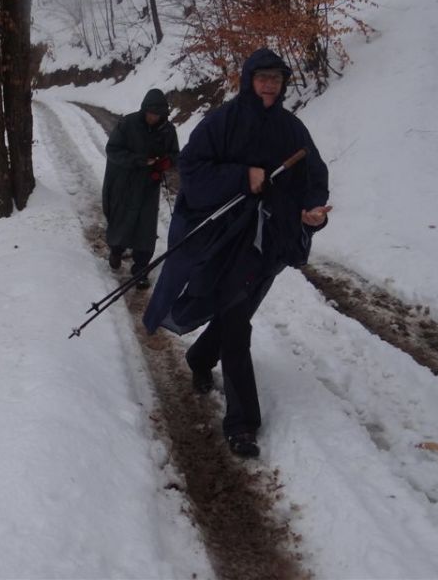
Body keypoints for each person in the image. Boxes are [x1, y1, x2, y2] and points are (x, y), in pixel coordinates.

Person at [142, 48, 331, 458]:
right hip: (226, 238)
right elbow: (190, 169)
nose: (269, 85)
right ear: (248, 80)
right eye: (262, 77)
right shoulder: (223, 121)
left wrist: (313, 210)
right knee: (234, 319)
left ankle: (200, 356)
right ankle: (243, 423)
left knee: (238, 312)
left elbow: (314, 175)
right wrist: (242, 176)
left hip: (274, 239)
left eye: (276, 79)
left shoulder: (291, 128)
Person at [102, 89, 180, 289]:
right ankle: (116, 251)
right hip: (125, 181)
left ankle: (141, 270)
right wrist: (140, 161)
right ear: (144, 110)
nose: (153, 118)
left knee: (145, 227)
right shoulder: (128, 124)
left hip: (149, 185)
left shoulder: (168, 130)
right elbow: (112, 150)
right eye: (150, 113)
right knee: (122, 219)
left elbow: (174, 154)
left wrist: (163, 164)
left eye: (157, 114)